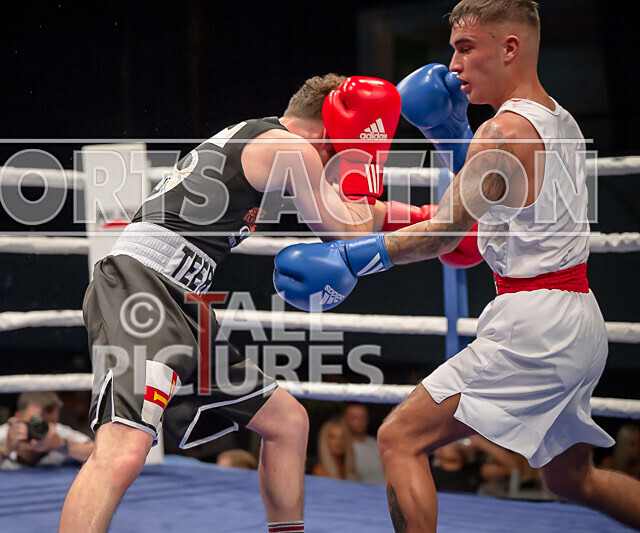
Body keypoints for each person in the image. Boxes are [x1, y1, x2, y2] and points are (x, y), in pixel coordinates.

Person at [273, 1, 640, 530]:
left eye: (466, 48)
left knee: (399, 438)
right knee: (572, 479)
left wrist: (351, 257)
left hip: (534, 326)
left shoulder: (500, 133)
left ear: (509, 48)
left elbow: (447, 232)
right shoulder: (558, 119)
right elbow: (494, 197)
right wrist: (450, 131)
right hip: (580, 321)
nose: (454, 65)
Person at [58, 73, 418, 533]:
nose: (336, 167)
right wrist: (364, 165)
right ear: (331, 133)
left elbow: (352, 212)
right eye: (343, 151)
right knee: (123, 449)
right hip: (141, 288)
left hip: (183, 301)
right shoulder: (292, 150)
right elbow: (346, 234)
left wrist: (433, 218)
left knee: (288, 423)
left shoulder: (266, 140)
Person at [0, 391, 93, 473]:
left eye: (49, 424)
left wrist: (61, 445)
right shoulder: (0, 437)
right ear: (18, 417)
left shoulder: (59, 434)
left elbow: (97, 452)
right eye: (36, 422)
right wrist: (4, 450)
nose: (43, 429)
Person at [342, 403, 385, 484]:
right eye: (355, 418)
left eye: (363, 417)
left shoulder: (376, 443)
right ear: (344, 419)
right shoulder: (341, 448)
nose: (360, 422)